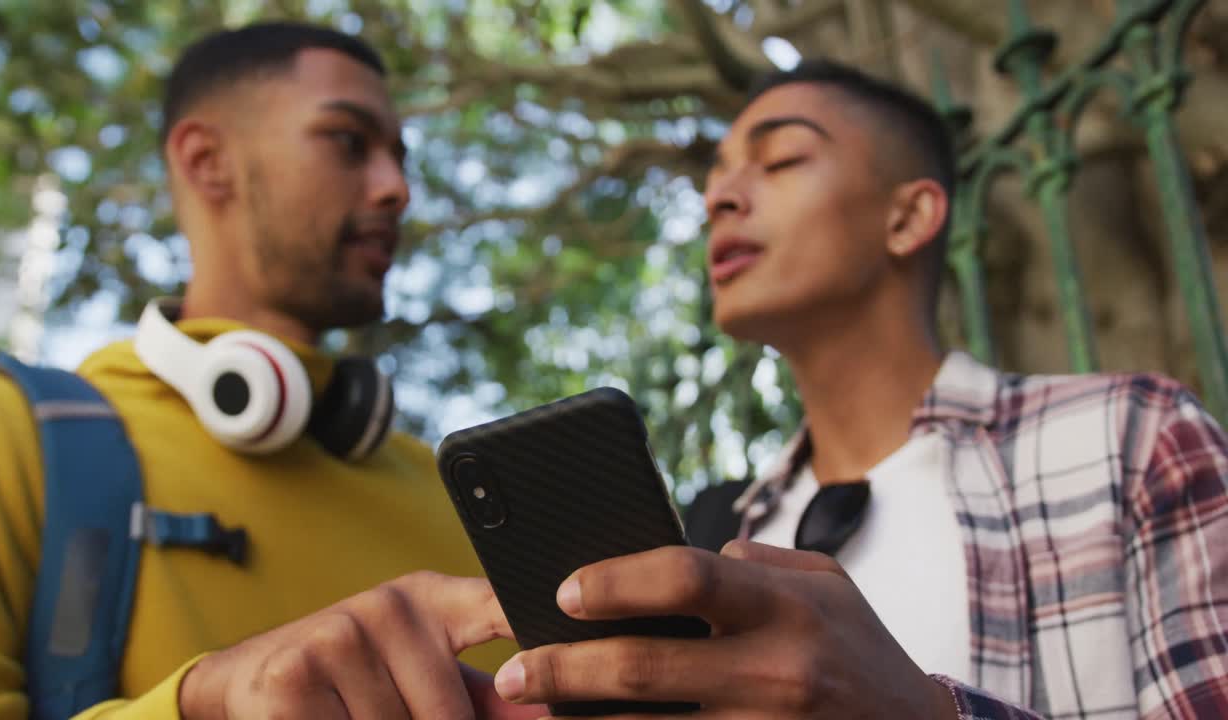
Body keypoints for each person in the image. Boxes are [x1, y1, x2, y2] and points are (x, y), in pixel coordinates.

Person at [483, 61, 1228, 718]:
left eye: (778, 160)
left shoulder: (1130, 438)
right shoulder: (713, 537)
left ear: (907, 216)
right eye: (716, 177)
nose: (720, 198)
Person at [0, 22, 543, 720]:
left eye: (400, 158)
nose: (397, 189)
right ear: (206, 161)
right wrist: (205, 706)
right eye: (349, 142)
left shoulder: (465, 499)